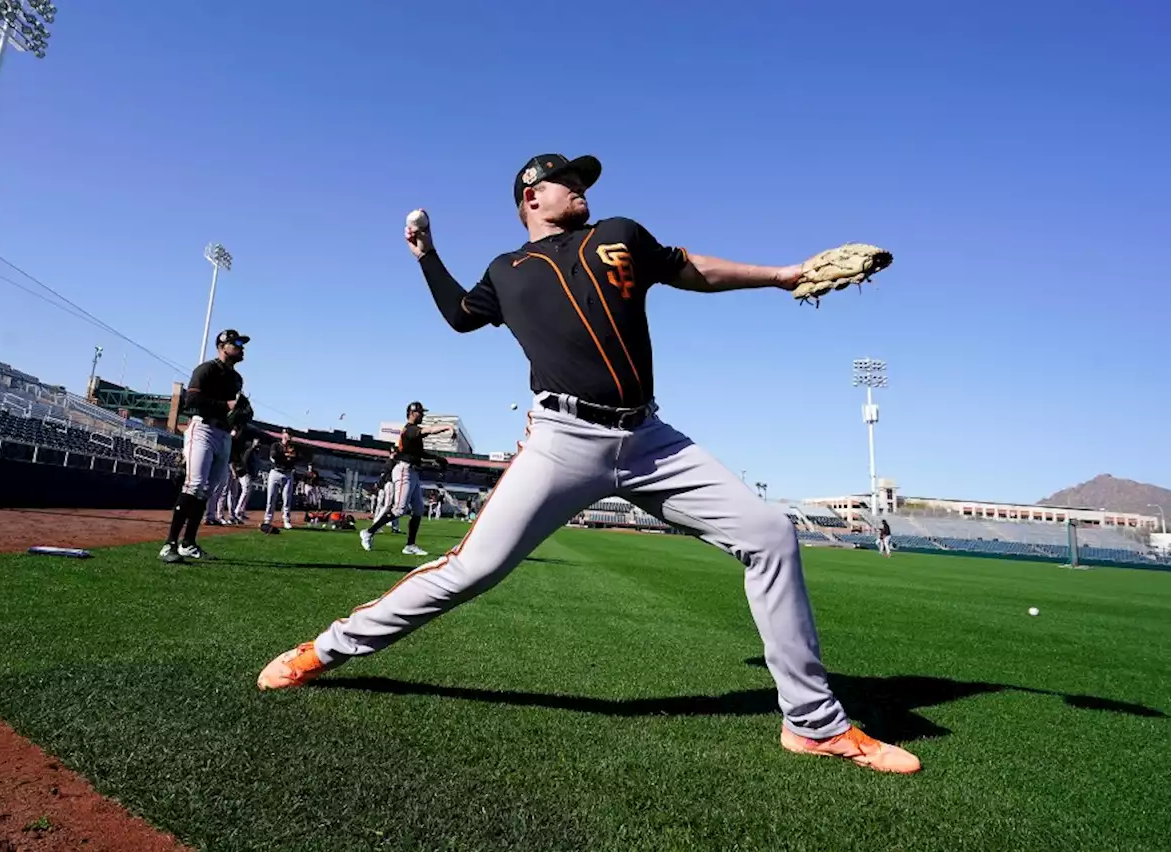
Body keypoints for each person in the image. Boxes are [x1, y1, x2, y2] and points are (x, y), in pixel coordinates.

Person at [257, 153, 918, 774]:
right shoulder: (506, 270)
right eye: (566, 179)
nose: (581, 187)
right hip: (562, 439)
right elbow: (460, 316)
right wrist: (427, 256)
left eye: (581, 180)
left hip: (651, 439)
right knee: (471, 570)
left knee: (771, 535)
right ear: (532, 196)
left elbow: (691, 268)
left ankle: (813, 723)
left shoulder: (620, 233)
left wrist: (780, 275)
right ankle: (327, 648)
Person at [160, 329, 249, 563]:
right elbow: (191, 400)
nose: (242, 347)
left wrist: (243, 413)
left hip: (223, 434)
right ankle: (169, 544)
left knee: (208, 491)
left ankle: (188, 543)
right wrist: (226, 405)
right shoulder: (207, 369)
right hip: (203, 429)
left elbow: (238, 407)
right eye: (237, 343)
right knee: (194, 485)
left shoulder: (237, 378)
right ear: (223, 345)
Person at [358, 402, 454, 556]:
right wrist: (447, 427)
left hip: (413, 472)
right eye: (420, 412)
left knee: (418, 509)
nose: (423, 415)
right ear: (412, 413)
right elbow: (428, 430)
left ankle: (410, 545)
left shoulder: (413, 432)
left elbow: (420, 454)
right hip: (404, 470)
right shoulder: (410, 429)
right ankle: (368, 532)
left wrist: (437, 458)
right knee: (399, 509)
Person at [263, 429, 299, 531]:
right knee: (271, 498)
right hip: (275, 472)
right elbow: (274, 456)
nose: (288, 436)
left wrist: (285, 457)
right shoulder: (276, 445)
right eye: (287, 434)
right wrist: (287, 456)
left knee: (287, 498)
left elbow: (295, 459)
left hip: (288, 473)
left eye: (290, 435)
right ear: (282, 435)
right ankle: (268, 519)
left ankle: (286, 520)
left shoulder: (293, 447)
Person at [231, 432, 261, 524]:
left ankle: (241, 511)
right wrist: (247, 473)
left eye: (259, 442)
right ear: (253, 442)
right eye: (256, 442)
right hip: (245, 474)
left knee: (247, 493)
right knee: (245, 492)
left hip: (250, 475)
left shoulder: (256, 452)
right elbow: (244, 462)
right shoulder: (250, 451)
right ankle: (237, 511)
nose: (258, 444)